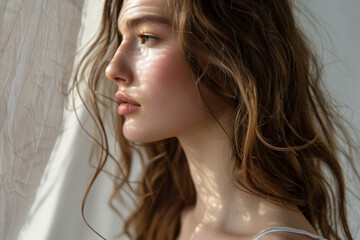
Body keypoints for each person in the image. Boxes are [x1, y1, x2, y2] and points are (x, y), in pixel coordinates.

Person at [69, 0, 358, 239]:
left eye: (146, 37)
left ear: (230, 52)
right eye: (122, 39)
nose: (113, 68)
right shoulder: (170, 220)